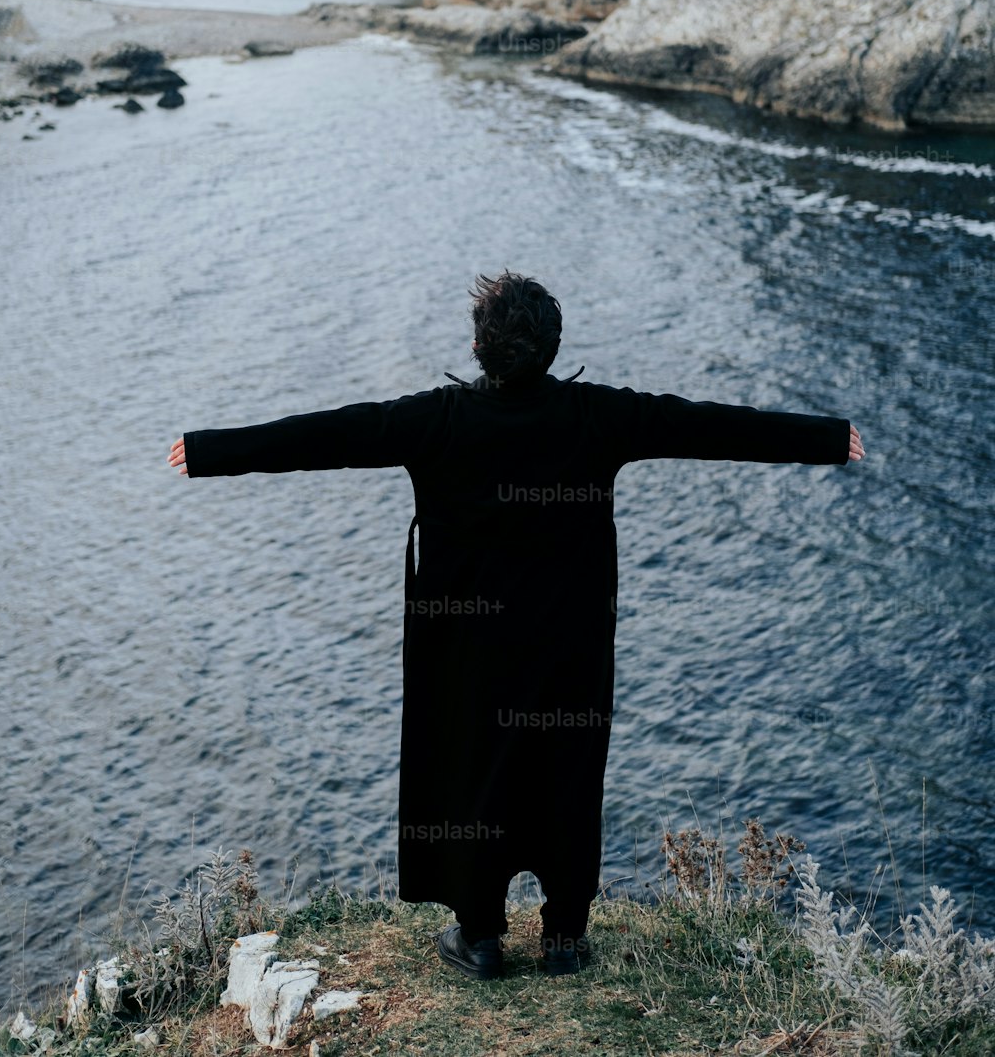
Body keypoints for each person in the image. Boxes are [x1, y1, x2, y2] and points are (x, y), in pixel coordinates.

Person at [168, 270, 865, 980]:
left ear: (478, 347)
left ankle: (480, 938)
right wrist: (829, 438)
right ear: (555, 347)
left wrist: (211, 450)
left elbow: (331, 434)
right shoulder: (599, 417)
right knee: (567, 772)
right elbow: (710, 425)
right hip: (570, 641)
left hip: (467, 646)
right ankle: (564, 938)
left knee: (474, 775)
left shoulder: (436, 421)